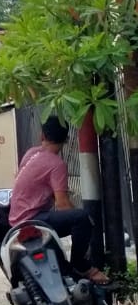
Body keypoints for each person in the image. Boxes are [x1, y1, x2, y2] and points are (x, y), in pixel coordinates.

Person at [9, 115, 111, 286]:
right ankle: (80, 265)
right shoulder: (56, 164)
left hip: (16, 218)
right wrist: (84, 219)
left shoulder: (31, 153)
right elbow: (62, 204)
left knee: (76, 218)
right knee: (82, 219)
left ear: (42, 135)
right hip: (34, 219)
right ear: (66, 139)